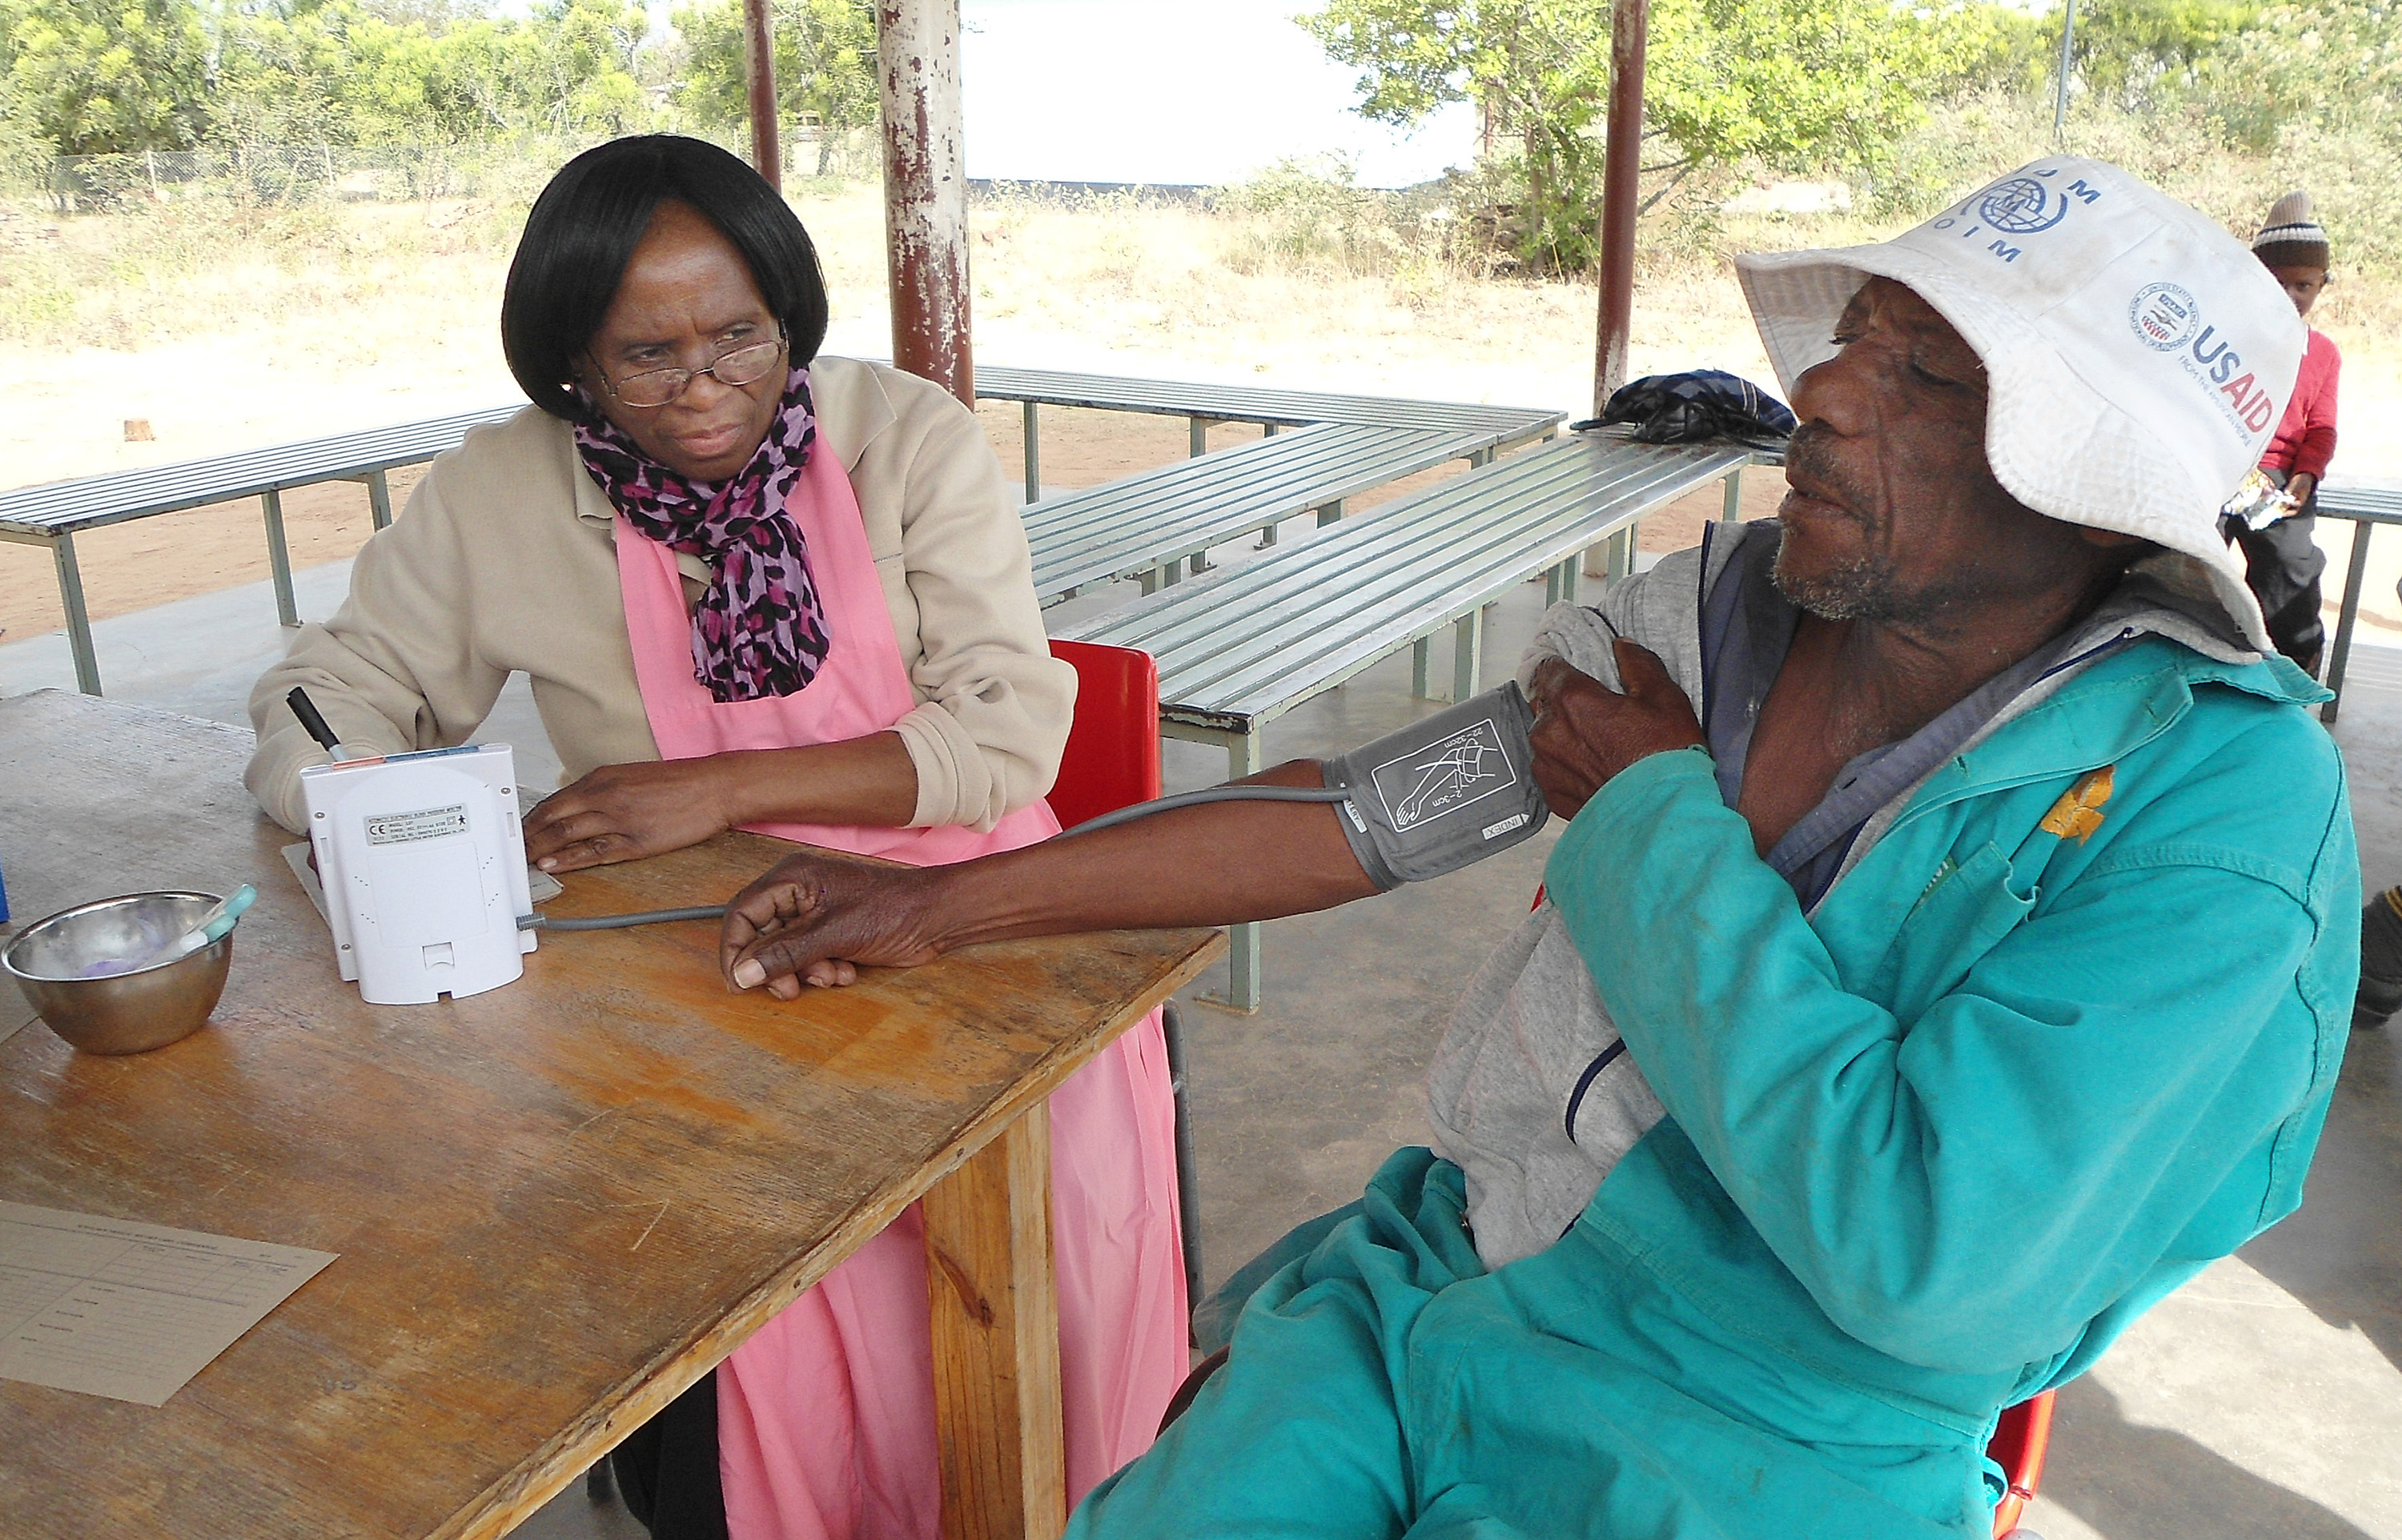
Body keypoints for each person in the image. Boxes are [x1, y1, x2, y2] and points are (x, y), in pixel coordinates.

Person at [711, 158, 2356, 1538]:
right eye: (1852, 337)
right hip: (1439, 1285)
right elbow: (1361, 818)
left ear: (2091, 495)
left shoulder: (2210, 815)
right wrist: (941, 903)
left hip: (1760, 1431)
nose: (1829, 391)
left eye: (1924, 373)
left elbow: (1927, 1259)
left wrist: (1653, 819)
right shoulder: (1714, 624)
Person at [243, 135, 1188, 1540]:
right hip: (699, 957)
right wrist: (376, 811)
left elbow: (1004, 734)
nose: (704, 388)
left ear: (787, 318)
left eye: (740, 335)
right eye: (646, 355)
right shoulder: (503, 490)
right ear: (569, 362)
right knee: (715, 1289)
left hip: (976, 928)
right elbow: (328, 689)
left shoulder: (904, 437)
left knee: (1024, 1321)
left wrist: (717, 789)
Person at [2226, 190, 2341, 674]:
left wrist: (2306, 475)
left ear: (2321, 285)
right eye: (2276, 283)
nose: (2291, 297)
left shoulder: (2323, 353)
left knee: (2291, 571)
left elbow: (2322, 427)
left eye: (2304, 285)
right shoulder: (2223, 335)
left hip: (2280, 481)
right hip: (2217, 465)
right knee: (2176, 563)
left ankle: (2291, 667)